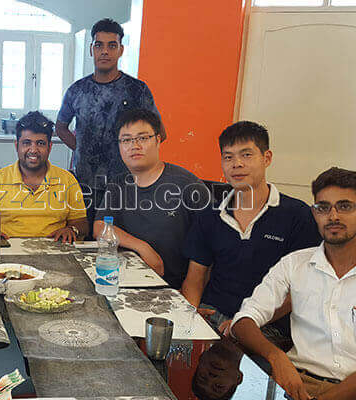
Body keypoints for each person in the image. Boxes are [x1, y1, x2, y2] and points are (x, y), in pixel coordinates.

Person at [181, 121, 320, 334]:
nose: (236, 164)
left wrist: (246, 322)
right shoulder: (210, 215)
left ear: (267, 158)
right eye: (228, 157)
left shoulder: (298, 215)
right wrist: (190, 318)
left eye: (246, 155)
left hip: (266, 324)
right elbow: (194, 279)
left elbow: (299, 289)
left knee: (232, 355)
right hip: (212, 314)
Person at [231, 167, 356, 400]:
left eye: (345, 206)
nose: (333, 216)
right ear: (314, 213)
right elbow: (243, 320)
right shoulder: (295, 264)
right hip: (297, 383)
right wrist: (275, 356)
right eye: (323, 207)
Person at [56, 18, 163, 235]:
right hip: (84, 183)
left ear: (121, 50)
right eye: (99, 45)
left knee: (118, 242)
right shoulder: (77, 90)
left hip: (125, 184)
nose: (105, 51)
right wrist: (82, 147)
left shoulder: (137, 90)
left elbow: (159, 133)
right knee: (84, 238)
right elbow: (61, 127)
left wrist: (134, 155)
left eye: (112, 45)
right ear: (91, 49)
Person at [94, 109, 208, 288]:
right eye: (126, 140)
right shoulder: (118, 184)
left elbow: (210, 247)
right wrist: (143, 247)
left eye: (143, 138)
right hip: (128, 281)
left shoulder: (187, 185)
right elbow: (100, 227)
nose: (135, 145)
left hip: (173, 288)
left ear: (158, 140)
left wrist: (190, 295)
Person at [0, 111, 88, 243]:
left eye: (40, 143)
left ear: (50, 147)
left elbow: (82, 225)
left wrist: (72, 230)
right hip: (6, 250)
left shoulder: (67, 179)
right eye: (27, 143)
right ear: (17, 146)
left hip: (55, 250)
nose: (33, 150)